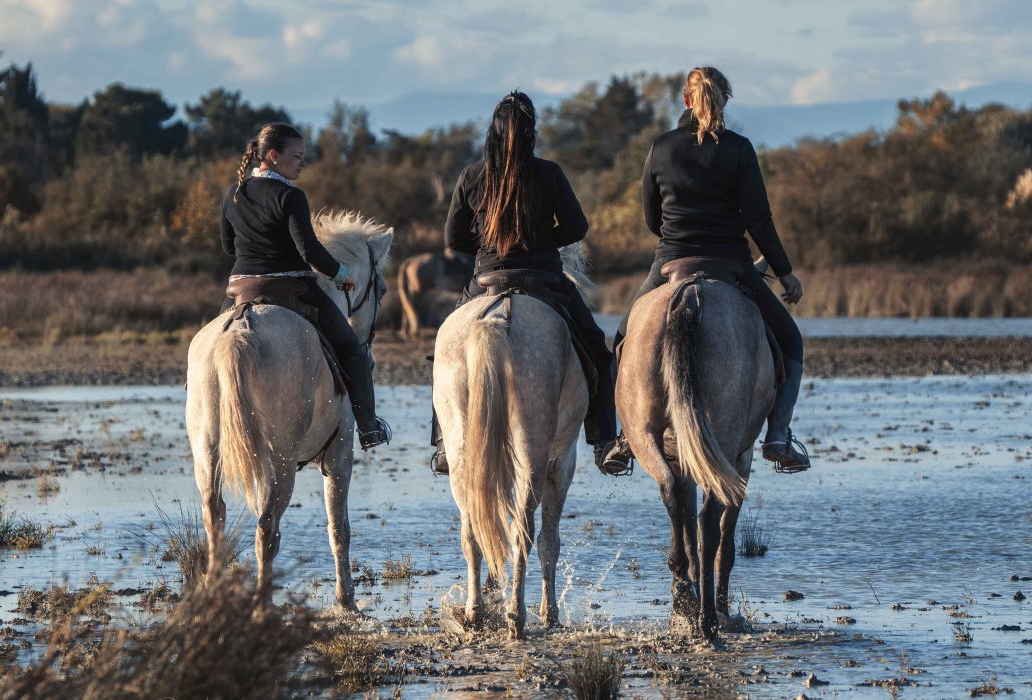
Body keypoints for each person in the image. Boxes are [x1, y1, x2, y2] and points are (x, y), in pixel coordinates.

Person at [613, 67, 810, 472]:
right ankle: (778, 436)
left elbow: (653, 219)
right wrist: (784, 271)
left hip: (670, 264)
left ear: (686, 100)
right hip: (731, 267)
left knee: (620, 339)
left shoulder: (660, 148)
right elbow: (760, 221)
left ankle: (625, 436)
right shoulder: (739, 149)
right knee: (790, 343)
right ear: (723, 101)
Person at [429, 91, 631, 476]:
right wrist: (538, 241)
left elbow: (454, 238)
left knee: (443, 353)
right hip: (544, 280)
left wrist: (491, 245)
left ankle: (442, 445)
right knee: (598, 352)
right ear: (530, 133)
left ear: (493, 131)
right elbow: (577, 227)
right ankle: (604, 440)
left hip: (486, 280)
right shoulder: (549, 173)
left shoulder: (472, 176)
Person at [220, 122, 391, 450]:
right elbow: (309, 252)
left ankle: (193, 383)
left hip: (240, 288)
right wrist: (342, 276)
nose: (303, 162)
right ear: (273, 156)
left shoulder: (233, 194)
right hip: (290, 287)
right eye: (297, 156)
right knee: (353, 350)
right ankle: (369, 427)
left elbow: (229, 247)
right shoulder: (290, 196)